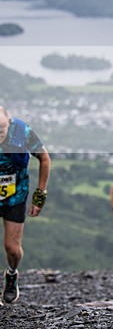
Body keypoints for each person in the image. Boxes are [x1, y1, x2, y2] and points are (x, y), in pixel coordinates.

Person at [0, 105, 51, 304]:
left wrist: (40, 195)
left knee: (12, 249)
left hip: (15, 197)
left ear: (9, 122)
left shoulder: (22, 132)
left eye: (1, 131)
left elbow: (45, 159)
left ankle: (12, 274)